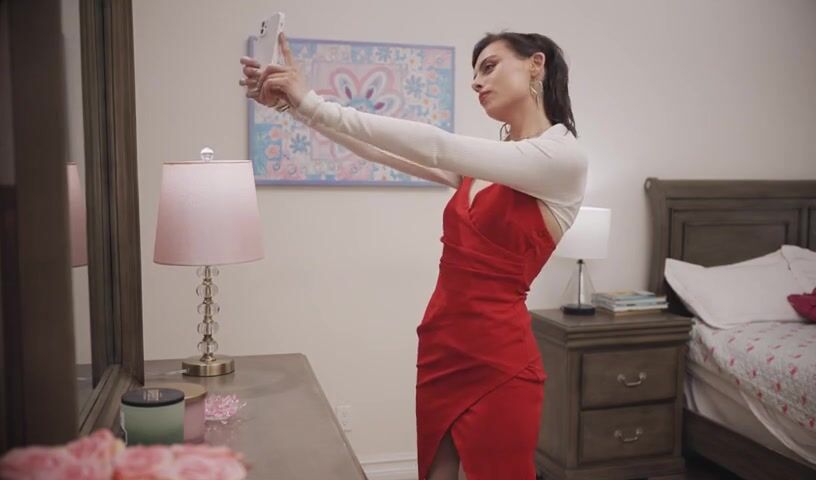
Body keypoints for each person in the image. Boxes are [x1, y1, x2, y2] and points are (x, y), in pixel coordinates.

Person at [240, 30, 587, 480]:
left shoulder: (562, 158)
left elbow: (436, 144)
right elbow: (380, 151)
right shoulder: (494, 160)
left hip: (498, 360)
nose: (476, 82)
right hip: (441, 346)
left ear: (536, 64)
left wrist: (313, 102)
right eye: (475, 73)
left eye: (489, 66)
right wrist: (295, 108)